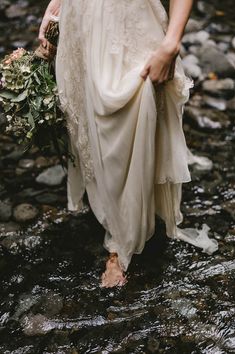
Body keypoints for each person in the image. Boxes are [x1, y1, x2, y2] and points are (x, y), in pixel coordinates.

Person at [38, 0, 218, 288]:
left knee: (124, 117)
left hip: (125, 22)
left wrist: (171, 43)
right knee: (87, 120)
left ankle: (121, 243)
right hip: (80, 20)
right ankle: (115, 215)